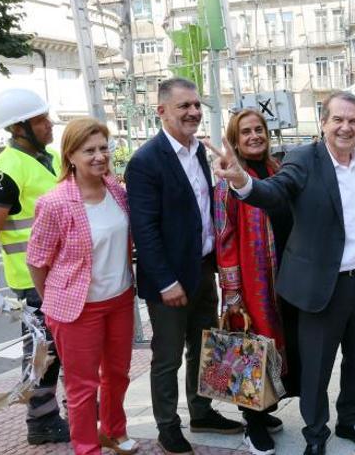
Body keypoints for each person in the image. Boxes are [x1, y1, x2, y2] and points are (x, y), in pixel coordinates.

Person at [207, 91, 355, 455]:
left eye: (353, 121)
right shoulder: (303, 159)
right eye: (338, 120)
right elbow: (275, 192)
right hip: (322, 287)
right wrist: (242, 182)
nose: (345, 127)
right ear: (323, 123)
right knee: (315, 369)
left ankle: (350, 421)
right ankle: (316, 434)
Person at [125, 78, 243, 455]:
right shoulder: (145, 161)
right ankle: (167, 427)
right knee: (167, 358)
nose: (193, 112)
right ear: (161, 111)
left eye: (196, 105)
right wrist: (165, 282)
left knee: (204, 348)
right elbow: (144, 230)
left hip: (203, 272)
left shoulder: (199, 153)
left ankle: (202, 411)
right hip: (170, 283)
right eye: (183, 106)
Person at [26, 118, 137, 455]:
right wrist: (54, 301)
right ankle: (87, 448)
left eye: (104, 148)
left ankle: (114, 432)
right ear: (70, 155)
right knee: (82, 387)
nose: (99, 156)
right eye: (89, 150)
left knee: (118, 374)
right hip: (77, 309)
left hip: (119, 299)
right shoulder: (55, 202)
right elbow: (36, 259)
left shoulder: (117, 191)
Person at [0, 88, 69, 445]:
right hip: (33, 279)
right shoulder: (5, 170)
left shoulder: (53, 159)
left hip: (65, 275)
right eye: (41, 119)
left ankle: (64, 410)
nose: (50, 124)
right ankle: (41, 422)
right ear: (19, 127)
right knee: (43, 352)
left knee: (61, 350)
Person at [213, 109, 295, 455]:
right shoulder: (228, 180)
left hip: (286, 277)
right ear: (235, 139)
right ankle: (253, 424)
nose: (254, 136)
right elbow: (224, 237)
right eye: (245, 132)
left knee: (276, 348)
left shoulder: (277, 169)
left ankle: (266, 408)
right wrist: (232, 291)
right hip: (252, 281)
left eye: (259, 129)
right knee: (249, 349)